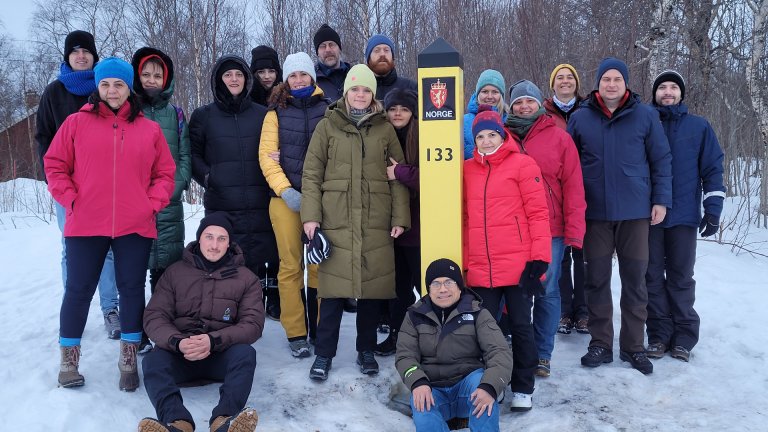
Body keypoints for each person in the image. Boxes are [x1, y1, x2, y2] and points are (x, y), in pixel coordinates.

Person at [45, 57, 176, 391]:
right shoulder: (76, 123)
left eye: (118, 84)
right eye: (105, 84)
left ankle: (128, 358)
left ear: (128, 88)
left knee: (131, 291)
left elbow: (165, 173)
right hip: (86, 224)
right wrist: (72, 199)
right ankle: (68, 361)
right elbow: (54, 164)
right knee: (78, 291)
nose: (112, 91)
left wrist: (151, 204)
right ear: (97, 87)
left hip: (135, 225)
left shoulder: (149, 128)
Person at [301, 64, 410, 381]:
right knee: (333, 292)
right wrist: (311, 216)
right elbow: (311, 175)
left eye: (366, 90)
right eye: (355, 89)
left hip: (376, 219)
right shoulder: (327, 126)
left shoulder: (385, 129)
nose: (360, 95)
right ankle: (324, 353)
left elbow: (396, 176)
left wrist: (400, 217)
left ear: (373, 95)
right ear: (346, 92)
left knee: (372, 291)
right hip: (337, 219)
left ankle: (366, 350)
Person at [568, 57, 672, 375]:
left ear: (625, 83)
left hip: (635, 213)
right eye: (606, 79)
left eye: (617, 79)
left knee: (635, 282)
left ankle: (633, 346)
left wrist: (661, 200)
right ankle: (600, 343)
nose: (611, 84)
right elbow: (569, 165)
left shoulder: (644, 115)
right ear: (597, 82)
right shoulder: (581, 117)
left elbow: (661, 159)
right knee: (596, 280)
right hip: (595, 213)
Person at [138, 213, 263, 432]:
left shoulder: (246, 278)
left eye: (221, 239)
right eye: (209, 237)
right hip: (180, 354)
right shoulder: (175, 272)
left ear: (229, 243)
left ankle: (224, 421)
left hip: (220, 354)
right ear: (199, 238)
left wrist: (213, 341)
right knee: (152, 361)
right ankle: (177, 422)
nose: (214, 245)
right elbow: (154, 316)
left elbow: (253, 324)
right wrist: (177, 342)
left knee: (245, 355)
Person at [35, 30, 121, 340]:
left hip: (103, 186)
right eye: (75, 51)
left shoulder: (104, 90)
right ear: (67, 56)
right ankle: (75, 306)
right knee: (70, 249)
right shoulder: (54, 92)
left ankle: (111, 308)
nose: (81, 55)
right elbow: (43, 137)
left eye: (86, 51)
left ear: (94, 56)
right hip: (67, 187)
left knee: (108, 248)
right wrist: (55, 180)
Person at [463, 106, 551, 411]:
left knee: (520, 326)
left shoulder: (523, 165)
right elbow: (463, 219)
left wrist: (539, 260)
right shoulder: (466, 170)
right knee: (486, 330)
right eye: (481, 136)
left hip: (518, 266)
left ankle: (523, 386)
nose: (487, 141)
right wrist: (464, 262)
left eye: (492, 135)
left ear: (503, 135)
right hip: (481, 268)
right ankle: (493, 383)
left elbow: (539, 214)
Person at [503, 80, 586, 378]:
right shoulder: (501, 137)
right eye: (518, 102)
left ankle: (542, 354)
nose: (524, 106)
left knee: (548, 290)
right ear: (510, 107)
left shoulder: (559, 138)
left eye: (530, 101)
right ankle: (521, 350)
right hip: (513, 229)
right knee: (518, 291)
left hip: (551, 229)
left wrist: (574, 231)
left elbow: (574, 187)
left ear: (540, 104)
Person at [189, 55, 281, 322]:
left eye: (238, 75)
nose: (233, 79)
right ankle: (233, 304)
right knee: (231, 255)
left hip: (260, 196)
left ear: (247, 79)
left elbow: (276, 146)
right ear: (219, 79)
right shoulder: (203, 116)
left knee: (270, 252)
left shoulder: (263, 114)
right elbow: (192, 154)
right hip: (222, 199)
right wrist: (208, 177)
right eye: (228, 75)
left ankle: (272, 299)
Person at [645, 70, 725, 363]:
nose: (668, 92)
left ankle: (684, 336)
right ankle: (658, 334)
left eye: (673, 87)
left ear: (681, 93)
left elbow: (713, 169)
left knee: (680, 278)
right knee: (651, 277)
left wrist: (713, 210)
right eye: (662, 87)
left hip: (684, 216)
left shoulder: (699, 127)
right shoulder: (645, 122)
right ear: (654, 93)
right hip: (649, 216)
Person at [259, 52, 330, 358]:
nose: (299, 80)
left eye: (303, 74)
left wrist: (321, 194)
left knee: (319, 266)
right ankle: (296, 331)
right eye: (293, 76)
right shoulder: (274, 113)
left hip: (320, 201)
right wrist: (286, 190)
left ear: (312, 77)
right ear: (285, 80)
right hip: (284, 201)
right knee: (289, 267)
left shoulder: (328, 110)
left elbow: (335, 155)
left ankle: (318, 327)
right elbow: (266, 155)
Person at [396, 258, 513, 432]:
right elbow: (405, 356)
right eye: (436, 283)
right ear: (428, 288)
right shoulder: (414, 315)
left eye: (449, 282)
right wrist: (418, 382)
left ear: (459, 286)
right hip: (432, 388)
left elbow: (499, 352)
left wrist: (489, 386)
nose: (443, 289)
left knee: (484, 394)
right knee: (420, 405)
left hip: (469, 385)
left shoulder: (477, 312)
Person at [131, 48, 191, 295]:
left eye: (157, 75)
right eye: (146, 74)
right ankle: (136, 325)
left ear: (165, 79)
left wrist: (176, 186)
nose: (151, 80)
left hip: (168, 199)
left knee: (167, 270)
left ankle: (163, 320)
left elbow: (185, 155)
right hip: (135, 202)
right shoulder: (129, 111)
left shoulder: (175, 113)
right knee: (133, 267)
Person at [542, 64, 589, 335]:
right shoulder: (545, 113)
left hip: (585, 190)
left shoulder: (588, 110)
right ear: (553, 84)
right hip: (554, 192)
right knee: (559, 259)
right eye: (559, 77)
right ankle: (565, 311)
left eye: (570, 77)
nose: (565, 81)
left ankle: (584, 312)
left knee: (583, 254)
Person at [373, 88, 420, 356]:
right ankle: (396, 335)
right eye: (392, 109)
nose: (398, 113)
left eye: (403, 108)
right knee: (397, 286)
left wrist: (400, 172)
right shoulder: (381, 136)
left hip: (418, 225)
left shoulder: (423, 136)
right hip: (388, 224)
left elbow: (435, 177)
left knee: (420, 283)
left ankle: (426, 336)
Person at [463, 69, 507, 160]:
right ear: (478, 94)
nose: (490, 96)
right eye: (485, 91)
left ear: (501, 95)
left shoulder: (510, 121)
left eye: (495, 92)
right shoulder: (463, 122)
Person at [364, 34, 417, 100]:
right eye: (377, 50)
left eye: (386, 50)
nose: (382, 54)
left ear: (393, 57)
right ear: (368, 59)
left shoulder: (411, 88)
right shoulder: (359, 91)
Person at [313, 24, 350, 102]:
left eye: (331, 45)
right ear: (317, 53)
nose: (328, 50)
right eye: (323, 46)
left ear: (339, 49)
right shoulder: (312, 81)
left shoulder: (353, 75)